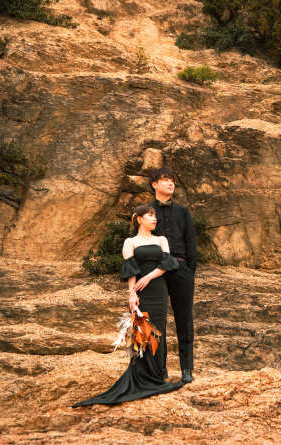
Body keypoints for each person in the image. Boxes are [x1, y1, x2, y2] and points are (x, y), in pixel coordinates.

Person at [72, 204, 183, 407]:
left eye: (155, 216)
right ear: (139, 219)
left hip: (158, 288)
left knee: (159, 331)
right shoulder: (130, 242)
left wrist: (148, 277)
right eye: (150, 215)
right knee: (143, 330)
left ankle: (159, 373)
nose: (154, 219)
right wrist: (132, 295)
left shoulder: (161, 240)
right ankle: (143, 374)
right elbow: (131, 270)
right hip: (141, 293)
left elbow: (167, 264)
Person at [149, 167, 197, 384]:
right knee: (157, 322)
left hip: (181, 269)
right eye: (165, 180)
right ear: (154, 184)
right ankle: (160, 369)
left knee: (184, 320)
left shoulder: (183, 211)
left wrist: (189, 270)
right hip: (155, 272)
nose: (170, 184)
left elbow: (191, 242)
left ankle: (187, 368)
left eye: (172, 180)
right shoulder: (146, 210)